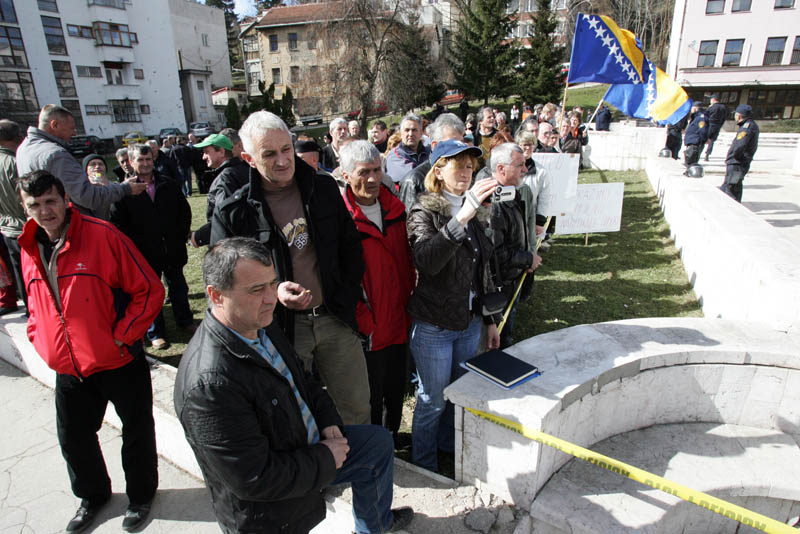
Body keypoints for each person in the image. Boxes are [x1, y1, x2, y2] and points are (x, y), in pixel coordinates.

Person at [174, 237, 413, 534]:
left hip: (306, 448)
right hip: (269, 514)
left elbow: (301, 378)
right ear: (216, 295)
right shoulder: (209, 385)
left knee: (376, 444)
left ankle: (376, 525)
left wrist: (326, 418)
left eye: (272, 283)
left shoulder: (259, 321)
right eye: (256, 289)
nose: (271, 298)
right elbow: (255, 479)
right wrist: (325, 458)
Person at [18, 171, 163, 532]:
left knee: (137, 432)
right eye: (34, 204)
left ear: (65, 198)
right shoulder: (28, 246)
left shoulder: (103, 236)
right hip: (69, 367)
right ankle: (93, 496)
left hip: (117, 359)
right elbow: (35, 304)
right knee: (74, 437)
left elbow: (149, 290)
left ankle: (141, 496)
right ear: (24, 205)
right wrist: (41, 339)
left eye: (50, 201)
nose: (45, 211)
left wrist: (122, 336)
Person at [211, 111, 371, 426]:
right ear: (248, 158)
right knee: (292, 417)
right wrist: (272, 291)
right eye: (269, 154)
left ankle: (359, 470)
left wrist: (346, 294)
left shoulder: (323, 189)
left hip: (334, 318)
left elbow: (351, 247)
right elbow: (222, 281)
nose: (283, 160)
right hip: (279, 329)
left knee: (356, 409)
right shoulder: (234, 212)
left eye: (286, 149)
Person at [406, 139, 501, 472]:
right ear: (438, 170)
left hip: (468, 323)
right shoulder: (425, 210)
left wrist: (490, 320)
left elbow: (482, 271)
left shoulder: (474, 209)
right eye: (457, 164)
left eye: (469, 164)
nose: (466, 170)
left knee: (457, 395)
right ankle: (424, 465)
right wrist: (463, 215)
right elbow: (427, 261)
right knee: (432, 400)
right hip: (434, 326)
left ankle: (448, 449)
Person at [339, 141, 415, 443]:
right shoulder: (340, 219)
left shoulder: (395, 209)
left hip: (400, 316)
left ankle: (392, 437)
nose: (371, 179)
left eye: (376, 170)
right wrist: (364, 321)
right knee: (371, 393)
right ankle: (373, 445)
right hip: (368, 327)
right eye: (363, 173)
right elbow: (340, 279)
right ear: (346, 175)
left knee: (397, 387)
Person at [110, 144, 193, 350]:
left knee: (178, 287)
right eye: (140, 160)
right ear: (131, 162)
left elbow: (184, 212)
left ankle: (185, 321)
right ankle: (156, 333)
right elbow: (118, 225)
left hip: (171, 249)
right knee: (150, 294)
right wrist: (135, 248)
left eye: (148, 160)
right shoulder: (124, 192)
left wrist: (179, 235)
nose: (146, 164)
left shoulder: (168, 184)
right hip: (144, 254)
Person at [16, 104, 146, 218]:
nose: (74, 134)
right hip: (71, 228)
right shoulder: (55, 154)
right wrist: (125, 189)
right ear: (54, 125)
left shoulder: (24, 148)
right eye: (72, 128)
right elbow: (88, 197)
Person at [485, 143, 541, 348]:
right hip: (499, 287)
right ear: (501, 169)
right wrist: (528, 258)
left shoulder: (512, 193)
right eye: (520, 165)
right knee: (497, 342)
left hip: (513, 279)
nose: (525, 170)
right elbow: (496, 254)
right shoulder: (493, 203)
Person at [190, 133, 251, 248]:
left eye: (207, 152)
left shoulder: (225, 178)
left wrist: (199, 236)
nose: (203, 157)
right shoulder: (244, 170)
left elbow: (225, 217)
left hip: (234, 248)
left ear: (222, 152)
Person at [398, 113, 465, 211]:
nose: (459, 148)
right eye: (452, 142)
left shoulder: (464, 172)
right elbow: (411, 222)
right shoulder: (413, 181)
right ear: (435, 145)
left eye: (461, 142)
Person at [0, 119, 26, 312]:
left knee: (18, 271)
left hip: (6, 227)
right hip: (22, 226)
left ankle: (28, 308)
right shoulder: (15, 162)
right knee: (30, 271)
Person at [721, 104, 759, 203]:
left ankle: (732, 210)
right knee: (729, 186)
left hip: (737, 162)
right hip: (739, 162)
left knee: (732, 189)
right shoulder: (750, 125)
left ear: (738, 115)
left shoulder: (747, 127)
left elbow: (740, 146)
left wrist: (733, 158)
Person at [384, 114, 430, 184]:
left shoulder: (429, 151)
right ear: (401, 133)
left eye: (414, 130)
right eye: (407, 130)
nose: (410, 134)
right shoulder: (394, 156)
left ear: (421, 133)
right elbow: (413, 176)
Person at [683, 102, 708, 169]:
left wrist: (701, 141)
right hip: (692, 141)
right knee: (688, 161)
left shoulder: (700, 117)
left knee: (691, 162)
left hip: (695, 142)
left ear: (695, 108)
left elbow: (702, 130)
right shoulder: (695, 116)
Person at [705, 94, 727, 161]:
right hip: (717, 125)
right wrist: (720, 125)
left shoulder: (711, 107)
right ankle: (707, 155)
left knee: (704, 139)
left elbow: (706, 115)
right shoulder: (723, 107)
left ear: (713, 100)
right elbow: (724, 118)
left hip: (710, 124)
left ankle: (698, 153)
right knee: (711, 140)